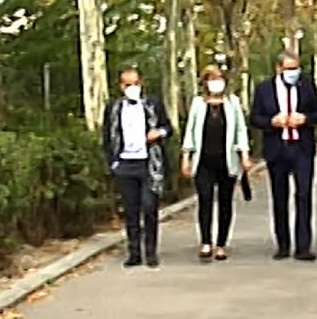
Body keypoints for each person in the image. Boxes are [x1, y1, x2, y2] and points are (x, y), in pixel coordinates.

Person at [250, 49, 317, 261]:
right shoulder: (264, 89)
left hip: (301, 148)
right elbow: (255, 118)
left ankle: (303, 247)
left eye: (296, 68)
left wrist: (305, 119)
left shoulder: (307, 86)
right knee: (279, 197)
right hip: (277, 148)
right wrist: (271, 122)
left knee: (303, 195)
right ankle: (283, 245)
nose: (293, 72)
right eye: (289, 68)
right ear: (278, 69)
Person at [101, 65, 171, 269]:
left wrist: (159, 133)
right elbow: (107, 136)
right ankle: (134, 252)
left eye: (136, 83)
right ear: (121, 86)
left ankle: (151, 252)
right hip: (124, 164)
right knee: (131, 210)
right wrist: (113, 162)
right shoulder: (113, 107)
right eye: (127, 84)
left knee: (149, 207)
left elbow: (168, 127)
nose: (132, 87)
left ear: (141, 84)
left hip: (149, 164)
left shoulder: (153, 104)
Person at [181, 64, 251, 261]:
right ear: (205, 82)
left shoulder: (232, 103)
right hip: (203, 161)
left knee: (225, 202)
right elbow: (190, 131)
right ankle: (206, 241)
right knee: (205, 200)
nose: (215, 83)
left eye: (219, 78)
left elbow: (240, 130)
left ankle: (221, 243)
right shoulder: (197, 103)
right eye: (211, 79)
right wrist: (186, 157)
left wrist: (245, 155)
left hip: (226, 161)